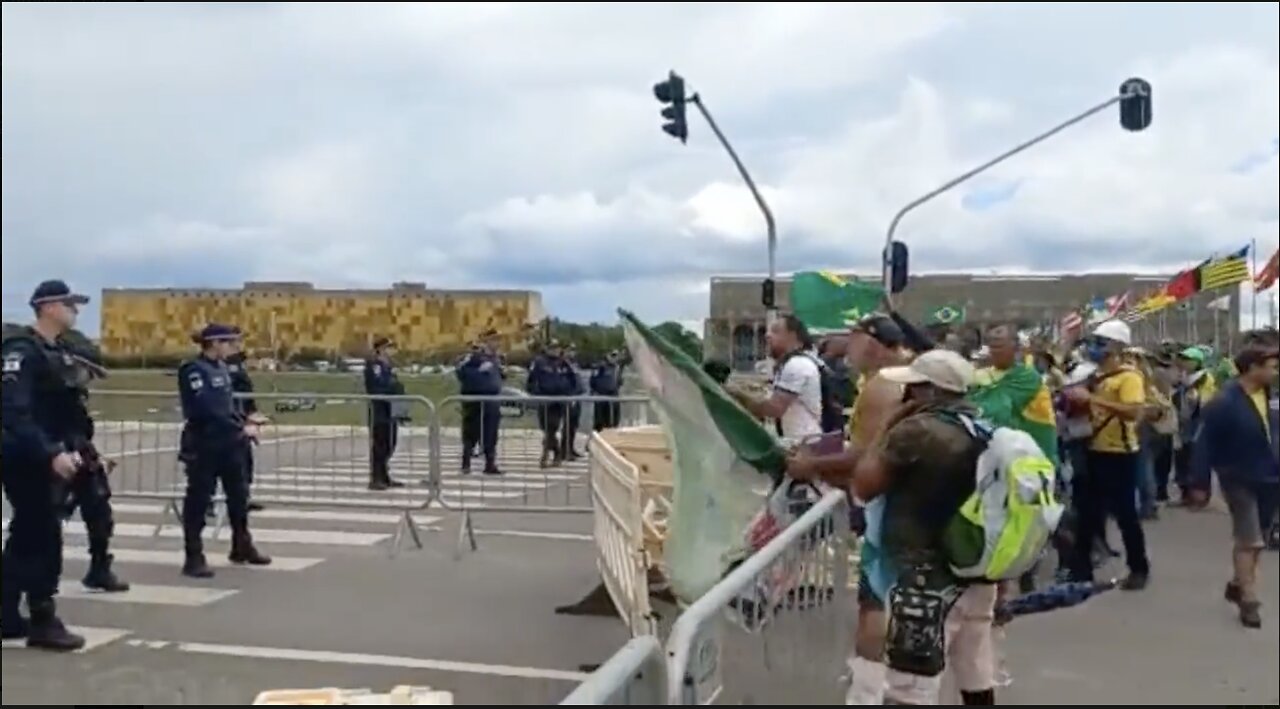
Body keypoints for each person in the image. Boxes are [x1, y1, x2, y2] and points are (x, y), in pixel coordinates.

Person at [784, 312, 913, 705]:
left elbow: (865, 455)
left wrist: (813, 465)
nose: (846, 348)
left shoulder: (884, 385)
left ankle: (868, 692)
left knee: (875, 602)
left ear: (871, 341)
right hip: (913, 507)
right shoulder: (908, 376)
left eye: (851, 338)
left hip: (890, 509)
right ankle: (901, 685)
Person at [1, 280, 96, 650]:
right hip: (27, 457)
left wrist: (81, 449)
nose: (75, 310)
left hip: (52, 454)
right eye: (70, 304)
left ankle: (7, 613)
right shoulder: (22, 350)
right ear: (48, 307)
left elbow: (65, 411)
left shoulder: (57, 352)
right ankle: (43, 617)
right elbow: (15, 411)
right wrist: (50, 452)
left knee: (25, 535)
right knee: (44, 536)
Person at [1191, 345, 1279, 628]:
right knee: (1249, 538)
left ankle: (1238, 583)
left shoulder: (1269, 397)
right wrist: (1199, 482)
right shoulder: (1224, 402)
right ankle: (1249, 600)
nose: (1275, 372)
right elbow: (1203, 444)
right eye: (1271, 366)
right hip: (1238, 477)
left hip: (1269, 477)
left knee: (1258, 541)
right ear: (1253, 368)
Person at [178, 324, 272, 579]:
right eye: (229, 342)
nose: (233, 347)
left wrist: (246, 420)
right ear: (214, 343)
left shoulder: (222, 368)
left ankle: (241, 544)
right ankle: (193, 555)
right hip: (204, 442)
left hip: (231, 442)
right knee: (199, 499)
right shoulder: (193, 369)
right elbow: (205, 408)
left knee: (238, 496)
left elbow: (227, 406)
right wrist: (241, 425)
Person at [1064, 319, 1151, 591]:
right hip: (1091, 448)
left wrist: (1092, 400)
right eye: (1094, 342)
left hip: (1120, 454)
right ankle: (1080, 572)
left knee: (1125, 514)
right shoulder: (1090, 374)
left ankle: (1138, 568)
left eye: (1101, 343)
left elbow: (1134, 411)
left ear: (1117, 347)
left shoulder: (1129, 377)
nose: (1094, 347)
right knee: (1087, 513)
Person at [61, 336, 130, 594]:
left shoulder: (76, 394)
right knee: (41, 522)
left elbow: (80, 431)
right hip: (57, 456)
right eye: (87, 371)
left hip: (80, 454)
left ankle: (99, 567)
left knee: (100, 512)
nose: (89, 378)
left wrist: (94, 456)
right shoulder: (51, 393)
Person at [731, 314, 824, 443]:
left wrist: (738, 394)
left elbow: (774, 409)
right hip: (798, 442)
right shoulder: (791, 364)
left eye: (775, 331)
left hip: (805, 444)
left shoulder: (797, 365)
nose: (767, 335)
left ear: (792, 336)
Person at [226, 333, 268, 511]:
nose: (240, 344)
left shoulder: (237, 363)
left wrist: (253, 414)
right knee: (227, 462)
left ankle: (243, 497)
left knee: (244, 461)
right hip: (233, 418)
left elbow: (246, 392)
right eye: (236, 340)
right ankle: (212, 501)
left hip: (244, 416)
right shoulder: (228, 365)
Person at [456, 329, 505, 475]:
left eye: (498, 340)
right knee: (472, 432)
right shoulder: (474, 356)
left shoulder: (496, 358)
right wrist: (479, 373)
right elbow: (461, 373)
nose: (496, 343)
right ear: (485, 341)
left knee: (491, 433)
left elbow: (497, 376)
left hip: (492, 399)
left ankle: (490, 464)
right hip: (475, 399)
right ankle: (466, 463)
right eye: (493, 340)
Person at [1172, 346, 1216, 507]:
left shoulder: (1205, 378)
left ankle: (1200, 496)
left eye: (1188, 360)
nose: (1184, 363)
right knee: (1181, 458)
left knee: (1198, 459)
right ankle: (1185, 494)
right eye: (1183, 359)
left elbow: (1207, 401)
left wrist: (1196, 399)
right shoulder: (1183, 378)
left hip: (1199, 422)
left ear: (1197, 362)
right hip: (1183, 423)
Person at [363, 336, 406, 490]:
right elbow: (377, 386)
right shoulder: (375, 365)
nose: (392, 351)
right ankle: (376, 478)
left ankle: (384, 475)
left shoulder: (387, 366)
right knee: (380, 445)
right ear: (380, 349)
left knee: (390, 443)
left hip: (390, 410)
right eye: (389, 347)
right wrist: (392, 387)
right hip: (379, 410)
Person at [528, 340, 574, 468]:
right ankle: (556, 452)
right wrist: (535, 393)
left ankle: (546, 454)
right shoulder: (539, 362)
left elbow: (573, 379)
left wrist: (569, 394)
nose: (555, 350)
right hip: (544, 399)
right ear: (547, 349)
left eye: (557, 348)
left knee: (551, 427)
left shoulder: (564, 363)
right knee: (546, 428)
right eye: (552, 348)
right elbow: (531, 380)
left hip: (559, 401)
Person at [589, 350, 625, 432]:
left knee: (614, 420)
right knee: (599, 421)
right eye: (612, 356)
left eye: (616, 356)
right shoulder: (600, 367)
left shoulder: (618, 367)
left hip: (614, 396)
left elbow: (619, 382)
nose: (614, 358)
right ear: (607, 356)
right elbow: (592, 381)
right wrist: (594, 392)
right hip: (601, 396)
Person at [562, 345, 586, 459]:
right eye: (570, 350)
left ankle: (571, 448)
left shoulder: (574, 364)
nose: (572, 352)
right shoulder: (563, 364)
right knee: (567, 425)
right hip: (569, 397)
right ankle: (565, 450)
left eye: (574, 350)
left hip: (577, 397)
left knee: (574, 425)